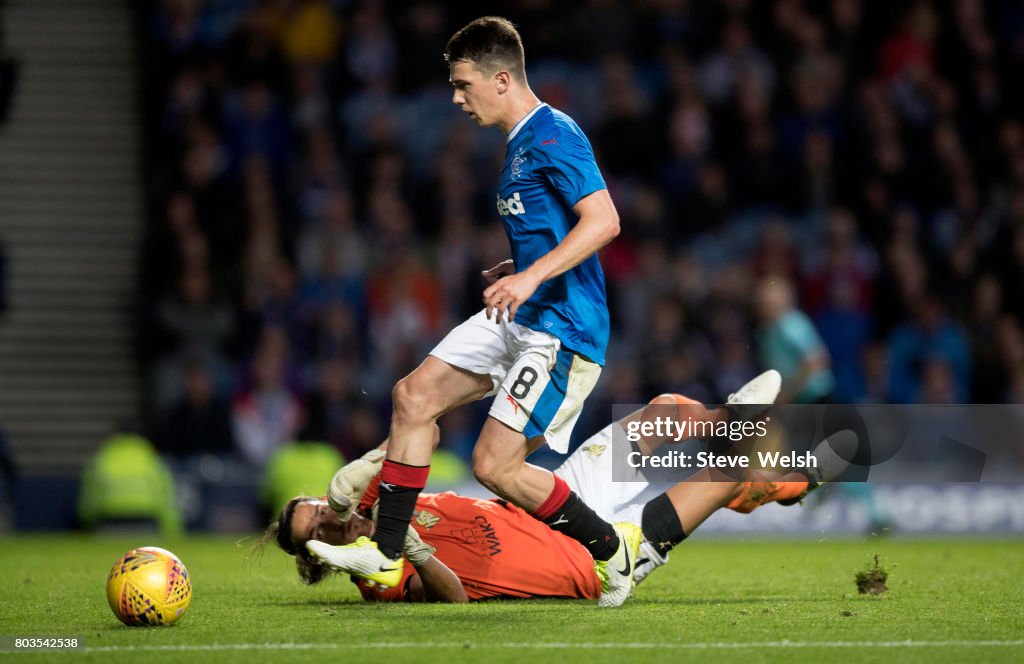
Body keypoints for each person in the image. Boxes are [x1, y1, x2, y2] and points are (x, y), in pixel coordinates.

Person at [327, 16, 641, 607]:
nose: (455, 97)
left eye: (463, 83)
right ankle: (387, 550)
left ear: (501, 80)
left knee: (494, 467)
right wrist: (516, 266)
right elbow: (555, 230)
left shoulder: (554, 134)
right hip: (523, 313)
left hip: (563, 330)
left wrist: (530, 275)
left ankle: (611, 548)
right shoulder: (520, 144)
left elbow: (605, 221)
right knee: (412, 397)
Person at [265, 372, 852, 602]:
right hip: (586, 557)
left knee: (669, 410)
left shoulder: (377, 502)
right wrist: (416, 552)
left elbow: (425, 434)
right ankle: (794, 478)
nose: (327, 520)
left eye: (318, 509)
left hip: (555, 499)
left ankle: (736, 420)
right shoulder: (379, 576)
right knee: (726, 479)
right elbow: (454, 600)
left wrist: (364, 467)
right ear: (319, 554)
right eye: (314, 531)